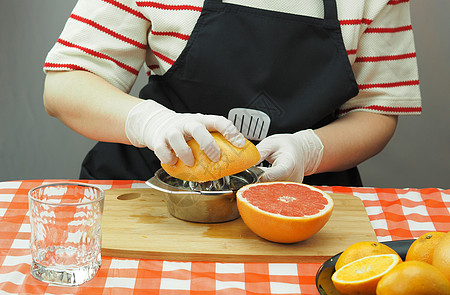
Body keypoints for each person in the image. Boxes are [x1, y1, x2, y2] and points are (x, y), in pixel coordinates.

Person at [43, 0, 422, 186]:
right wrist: (150, 122)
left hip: (296, 198)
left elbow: (377, 110)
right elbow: (66, 83)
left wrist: (309, 151)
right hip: (150, 190)